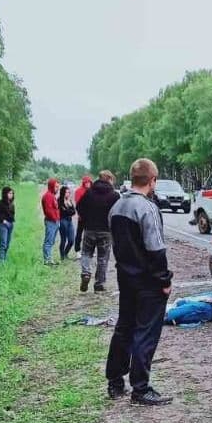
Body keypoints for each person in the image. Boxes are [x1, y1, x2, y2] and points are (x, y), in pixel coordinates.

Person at [106, 158, 174, 406]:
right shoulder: (147, 208)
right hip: (148, 283)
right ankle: (141, 388)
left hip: (126, 278)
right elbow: (156, 249)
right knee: (146, 332)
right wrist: (164, 280)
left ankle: (115, 382)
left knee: (124, 328)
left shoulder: (117, 206)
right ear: (152, 180)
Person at [78, 170, 120, 292]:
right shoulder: (114, 196)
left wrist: (86, 220)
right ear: (109, 179)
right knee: (103, 257)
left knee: (86, 253)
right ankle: (99, 283)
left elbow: (79, 207)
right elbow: (118, 213)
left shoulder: (89, 193)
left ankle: (86, 273)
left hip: (90, 229)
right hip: (106, 231)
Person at [0, 186, 15, 262]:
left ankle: (4, 257)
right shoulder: (0, 203)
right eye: (10, 193)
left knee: (7, 244)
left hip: (10, 225)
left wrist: (11, 222)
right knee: (3, 243)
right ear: (5, 194)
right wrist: (3, 220)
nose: (11, 195)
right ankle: (1, 261)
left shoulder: (12, 204)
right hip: (2, 225)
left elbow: (12, 215)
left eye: (12, 193)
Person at [40, 178, 61, 265]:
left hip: (54, 221)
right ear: (51, 186)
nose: (57, 189)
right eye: (56, 187)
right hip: (51, 221)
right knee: (48, 241)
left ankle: (49, 259)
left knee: (51, 241)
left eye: (58, 187)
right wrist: (55, 219)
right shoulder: (48, 196)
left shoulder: (52, 195)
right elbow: (49, 210)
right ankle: (47, 260)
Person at [58, 184, 77, 260]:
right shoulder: (59, 201)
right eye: (66, 192)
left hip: (69, 221)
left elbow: (73, 212)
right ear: (63, 193)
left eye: (69, 192)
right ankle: (62, 256)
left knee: (71, 240)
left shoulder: (69, 201)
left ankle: (66, 253)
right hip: (63, 221)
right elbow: (63, 212)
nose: (68, 194)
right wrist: (68, 210)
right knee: (63, 239)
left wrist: (68, 209)